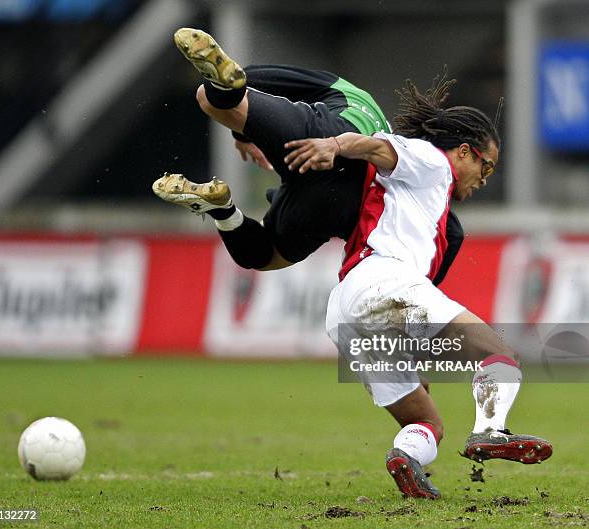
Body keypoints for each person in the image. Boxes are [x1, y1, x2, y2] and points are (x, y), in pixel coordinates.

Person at [283, 75, 553, 499]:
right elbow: (377, 145)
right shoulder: (432, 163)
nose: (484, 179)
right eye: (486, 166)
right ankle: (489, 431)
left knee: (426, 423)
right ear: (464, 151)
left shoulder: (424, 199)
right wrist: (334, 145)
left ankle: (404, 458)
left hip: (346, 310)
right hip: (385, 282)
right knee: (500, 356)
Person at [153, 28, 463, 286]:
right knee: (264, 256)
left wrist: (242, 132)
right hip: (339, 202)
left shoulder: (356, 97)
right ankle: (221, 210)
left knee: (209, 98)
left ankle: (222, 203)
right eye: (484, 166)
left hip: (323, 138)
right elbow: (452, 232)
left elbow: (254, 77)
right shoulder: (421, 185)